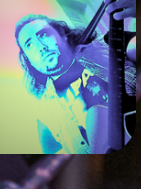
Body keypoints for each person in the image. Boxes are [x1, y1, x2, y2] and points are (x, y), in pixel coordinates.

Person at [15, 14, 122, 153]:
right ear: (27, 59)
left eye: (43, 35)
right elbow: (55, 161)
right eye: (29, 45)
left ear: (61, 33)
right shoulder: (44, 115)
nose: (41, 47)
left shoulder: (107, 58)